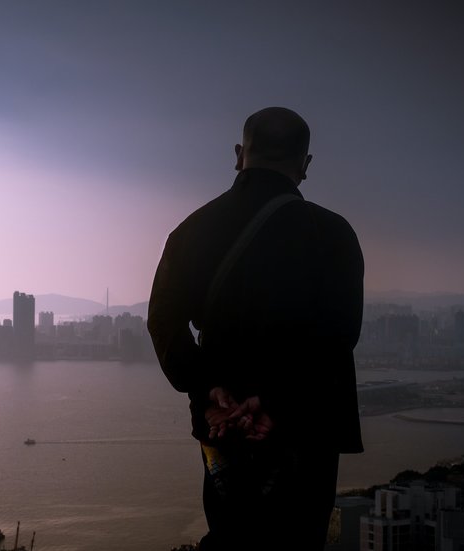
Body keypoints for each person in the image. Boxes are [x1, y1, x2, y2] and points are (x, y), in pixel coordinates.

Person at [148, 107, 363, 550]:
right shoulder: (334, 234)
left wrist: (211, 391)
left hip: (223, 424)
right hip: (303, 428)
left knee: (230, 534)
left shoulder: (190, 232)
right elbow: (340, 335)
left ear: (238, 154)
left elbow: (163, 322)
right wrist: (272, 401)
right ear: (305, 165)